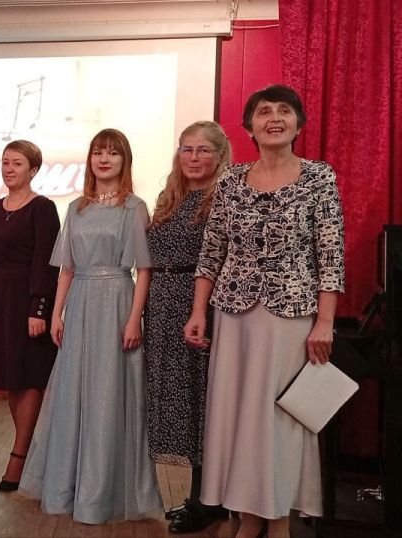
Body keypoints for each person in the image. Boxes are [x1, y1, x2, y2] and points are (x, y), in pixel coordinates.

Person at [184, 85, 344, 538]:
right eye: (263, 112)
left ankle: (278, 519)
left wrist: (325, 322)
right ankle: (248, 515)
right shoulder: (231, 181)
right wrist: (198, 311)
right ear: (249, 128)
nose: (274, 118)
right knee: (239, 415)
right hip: (234, 315)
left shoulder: (319, 178)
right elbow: (212, 251)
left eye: (284, 111)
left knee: (281, 418)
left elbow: (330, 255)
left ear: (298, 123)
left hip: (292, 317)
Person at [19, 128, 163, 523]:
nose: (104, 159)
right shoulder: (76, 208)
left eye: (112, 153)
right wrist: (56, 313)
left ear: (124, 161)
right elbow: (66, 268)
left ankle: (99, 495)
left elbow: (144, 269)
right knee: (73, 392)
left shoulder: (134, 207)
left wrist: (135, 318)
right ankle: (66, 488)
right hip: (80, 301)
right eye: (98, 152)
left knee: (109, 392)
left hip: (116, 300)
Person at [143, 121, 232, 533]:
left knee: (201, 400)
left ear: (220, 155)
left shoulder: (225, 198)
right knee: (175, 403)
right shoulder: (169, 197)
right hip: (161, 304)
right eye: (187, 149)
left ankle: (207, 499)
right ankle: (198, 496)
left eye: (203, 150)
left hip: (199, 306)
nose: (194, 158)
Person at [0, 140, 60, 491]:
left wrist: (38, 308)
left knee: (29, 378)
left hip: (29, 303)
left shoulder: (43, 208)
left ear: (33, 170)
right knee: (11, 379)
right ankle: (30, 451)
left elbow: (47, 261)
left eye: (17, 163)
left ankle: (19, 456)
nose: (9, 169)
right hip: (0, 301)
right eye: (5, 162)